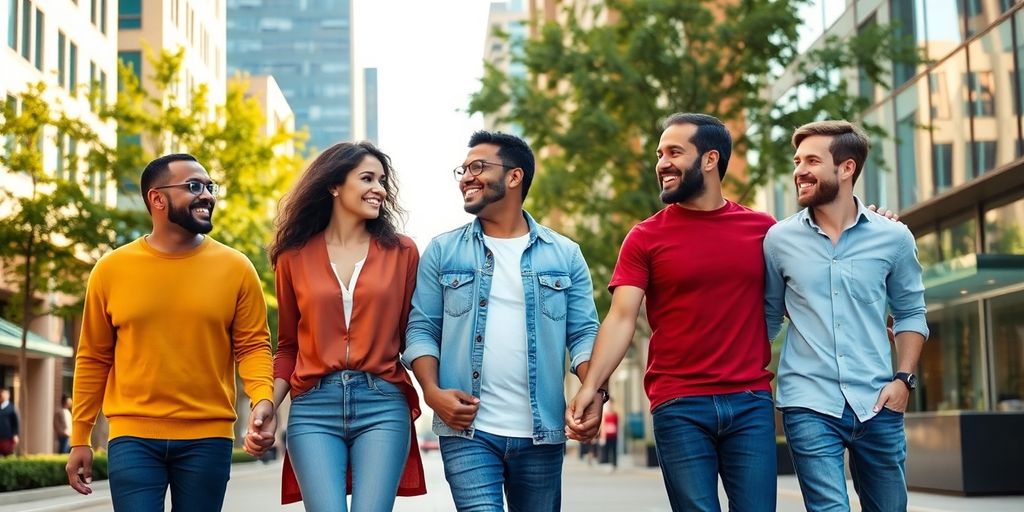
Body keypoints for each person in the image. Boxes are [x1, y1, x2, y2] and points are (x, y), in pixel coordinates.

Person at [567, 113, 778, 511]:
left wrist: (870, 219)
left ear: (710, 159)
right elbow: (621, 317)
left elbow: (814, 274)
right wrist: (591, 387)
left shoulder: (764, 230)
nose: (662, 162)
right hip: (679, 403)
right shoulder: (646, 236)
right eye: (659, 154)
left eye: (674, 152)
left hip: (749, 400)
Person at [65, 153, 276, 511]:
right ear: (157, 199)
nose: (207, 194)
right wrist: (79, 437)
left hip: (208, 437)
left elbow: (253, 346)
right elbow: (94, 357)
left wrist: (263, 399)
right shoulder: (111, 269)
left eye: (210, 186)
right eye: (194, 186)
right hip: (133, 437)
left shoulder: (237, 268)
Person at [404, 131, 601, 511]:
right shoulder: (443, 251)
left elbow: (583, 334)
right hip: (468, 431)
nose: (466, 177)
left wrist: (594, 389)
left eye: (478, 167)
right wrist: (431, 392)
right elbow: (422, 328)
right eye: (463, 169)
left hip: (542, 433)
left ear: (514, 177)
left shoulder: (565, 254)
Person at [764, 120, 928, 511]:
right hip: (808, 402)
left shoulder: (893, 237)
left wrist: (903, 380)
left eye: (812, 161)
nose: (799, 170)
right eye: (797, 160)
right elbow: (769, 317)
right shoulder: (778, 241)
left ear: (846, 167)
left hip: (878, 401)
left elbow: (911, 313)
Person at [269, 141, 426, 511]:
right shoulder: (292, 257)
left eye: (382, 180)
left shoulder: (403, 252)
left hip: (383, 404)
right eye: (367, 178)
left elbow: (414, 335)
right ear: (334, 185)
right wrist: (268, 405)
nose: (380, 189)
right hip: (313, 408)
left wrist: (435, 390)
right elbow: (289, 346)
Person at [0, 387, 19, 456]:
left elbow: (15, 423)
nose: (2, 395)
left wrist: (15, 434)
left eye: (4, 394)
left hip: (8, 436)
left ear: (8, 395)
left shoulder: (12, 408)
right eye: (2, 394)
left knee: (7, 454)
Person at [601, 399, 619, 469]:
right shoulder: (605, 415)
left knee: (614, 450)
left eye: (611, 404)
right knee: (607, 450)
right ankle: (608, 463)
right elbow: (603, 426)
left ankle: (614, 464)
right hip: (607, 436)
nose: (610, 406)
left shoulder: (615, 414)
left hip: (614, 435)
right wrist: (603, 436)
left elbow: (617, 425)